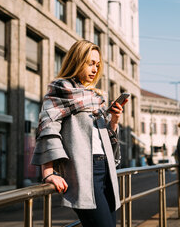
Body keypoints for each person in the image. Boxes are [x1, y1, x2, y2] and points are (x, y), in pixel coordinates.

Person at [31, 40, 127, 227]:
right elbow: (47, 129)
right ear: (77, 61)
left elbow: (105, 138)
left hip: (105, 169)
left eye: (97, 65)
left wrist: (114, 121)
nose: (94, 69)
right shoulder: (59, 90)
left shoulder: (96, 97)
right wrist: (48, 173)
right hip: (84, 171)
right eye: (90, 63)